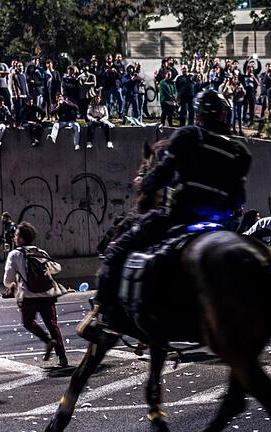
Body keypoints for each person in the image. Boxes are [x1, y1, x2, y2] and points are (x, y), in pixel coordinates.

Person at [79, 89, 252, 343]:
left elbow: (161, 174)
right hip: (221, 224)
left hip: (181, 218)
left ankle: (102, 317)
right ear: (226, 115)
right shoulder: (240, 150)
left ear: (198, 114)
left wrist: (146, 183)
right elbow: (240, 196)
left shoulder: (189, 135)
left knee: (117, 250)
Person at [3, 222, 69, 368]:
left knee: (28, 322)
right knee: (52, 325)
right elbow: (56, 268)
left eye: (16, 235)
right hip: (47, 294)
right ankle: (62, 357)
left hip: (29, 296)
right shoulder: (40, 252)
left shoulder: (14, 255)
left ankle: (47, 340)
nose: (14, 238)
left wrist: (12, 285)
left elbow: (7, 279)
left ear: (21, 239)